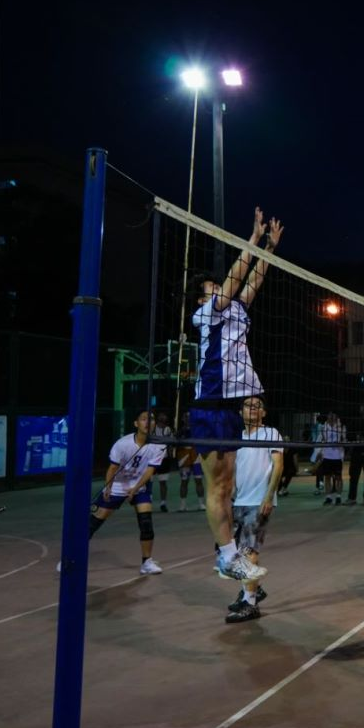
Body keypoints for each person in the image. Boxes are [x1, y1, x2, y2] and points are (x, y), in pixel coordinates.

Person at [186, 206, 278, 582]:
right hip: (209, 403)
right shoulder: (205, 314)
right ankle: (227, 556)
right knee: (218, 486)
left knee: (227, 486)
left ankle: (228, 555)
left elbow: (252, 280)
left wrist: (268, 250)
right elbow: (236, 277)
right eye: (212, 288)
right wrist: (252, 240)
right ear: (201, 299)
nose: (220, 288)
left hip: (232, 405)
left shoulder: (236, 310)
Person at [63, 410, 165, 575]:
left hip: (139, 485)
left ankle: (146, 562)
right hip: (117, 484)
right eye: (144, 419)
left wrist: (136, 488)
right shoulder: (123, 444)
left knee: (146, 523)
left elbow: (150, 471)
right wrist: (108, 488)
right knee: (93, 523)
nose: (148, 422)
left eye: (151, 419)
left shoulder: (159, 445)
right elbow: (112, 468)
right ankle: (69, 557)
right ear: (136, 423)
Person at [224, 397, 284, 623]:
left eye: (258, 406)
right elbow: (234, 469)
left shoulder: (270, 433)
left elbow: (278, 465)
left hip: (259, 501)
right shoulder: (237, 438)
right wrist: (230, 496)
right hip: (239, 501)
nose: (253, 408)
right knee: (236, 555)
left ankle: (250, 604)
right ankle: (253, 590)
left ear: (264, 413)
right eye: (248, 405)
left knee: (249, 552)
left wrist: (269, 496)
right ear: (240, 412)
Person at [346, 408, 364, 505]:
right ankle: (352, 498)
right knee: (353, 477)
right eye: (362, 407)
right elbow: (348, 435)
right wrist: (356, 438)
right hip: (356, 453)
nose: (363, 409)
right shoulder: (354, 422)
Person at [150, 411, 176, 512]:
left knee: (163, 481)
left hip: (163, 459)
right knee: (149, 481)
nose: (162, 418)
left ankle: (163, 503)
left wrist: (171, 454)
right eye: (161, 417)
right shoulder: (152, 429)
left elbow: (171, 442)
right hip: (152, 458)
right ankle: (148, 501)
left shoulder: (168, 429)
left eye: (164, 417)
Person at [319, 412, 346, 506]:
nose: (331, 417)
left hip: (337, 456)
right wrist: (321, 452)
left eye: (333, 415)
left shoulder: (341, 426)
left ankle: (338, 497)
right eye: (329, 415)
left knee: (339, 477)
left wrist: (341, 442)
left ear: (336, 416)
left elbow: (344, 440)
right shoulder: (324, 427)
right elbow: (322, 440)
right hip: (327, 455)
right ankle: (328, 497)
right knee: (327, 477)